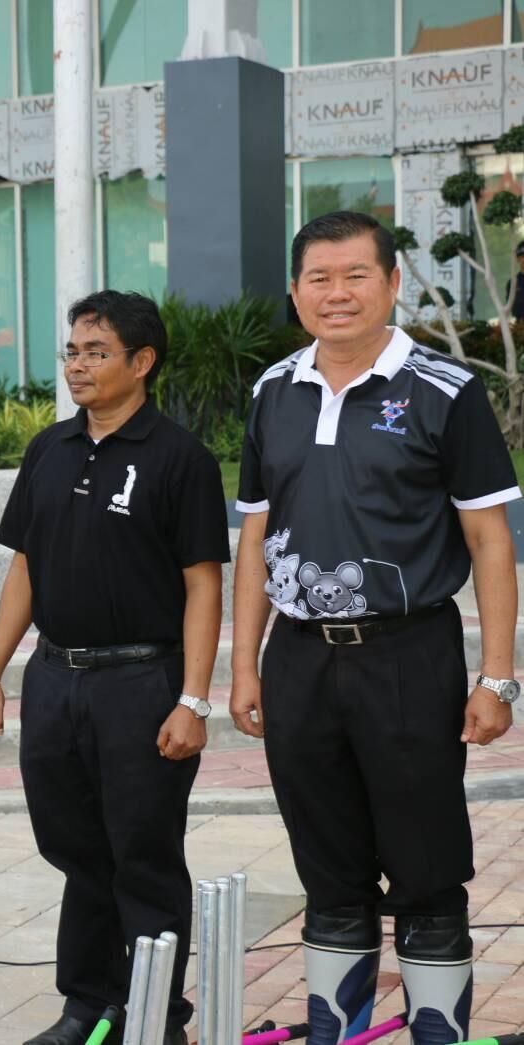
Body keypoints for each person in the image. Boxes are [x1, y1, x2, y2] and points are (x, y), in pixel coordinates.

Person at [231, 211, 519, 1045]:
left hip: (408, 656)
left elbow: (488, 540)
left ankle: (437, 1034)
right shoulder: (272, 391)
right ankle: (339, 1032)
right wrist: (243, 666)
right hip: (298, 661)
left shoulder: (444, 390)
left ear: (391, 283)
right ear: (294, 293)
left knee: (425, 871)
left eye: (355, 274)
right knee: (328, 871)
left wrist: (497, 677)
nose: (336, 293)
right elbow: (253, 535)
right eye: (317, 278)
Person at [0, 291, 228, 1045]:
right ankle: (88, 1006)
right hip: (55, 680)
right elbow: (24, 565)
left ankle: (154, 1018)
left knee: (142, 855)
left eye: (96, 352)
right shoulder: (49, 448)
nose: (77, 366)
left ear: (141, 362)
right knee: (76, 851)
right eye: (73, 352)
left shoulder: (179, 457)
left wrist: (193, 700)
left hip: (140, 684)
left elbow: (202, 585)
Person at [511, 241, 524, 322]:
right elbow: (513, 309)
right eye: (522, 256)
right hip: (520, 325)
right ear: (517, 259)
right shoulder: (513, 283)